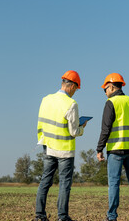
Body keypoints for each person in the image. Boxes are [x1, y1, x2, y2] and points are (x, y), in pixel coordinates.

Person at [34, 70, 87, 221]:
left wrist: (43, 141)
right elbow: (74, 131)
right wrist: (82, 126)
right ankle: (62, 217)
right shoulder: (71, 104)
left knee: (45, 181)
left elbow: (40, 124)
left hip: (48, 147)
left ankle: (39, 215)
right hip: (65, 151)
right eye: (76, 89)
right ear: (72, 86)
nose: (75, 92)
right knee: (64, 184)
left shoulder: (46, 99)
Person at [96, 73, 129, 221]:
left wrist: (99, 149)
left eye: (105, 89)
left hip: (116, 150)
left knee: (113, 184)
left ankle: (112, 217)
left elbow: (105, 129)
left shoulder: (111, 103)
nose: (105, 92)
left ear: (111, 87)